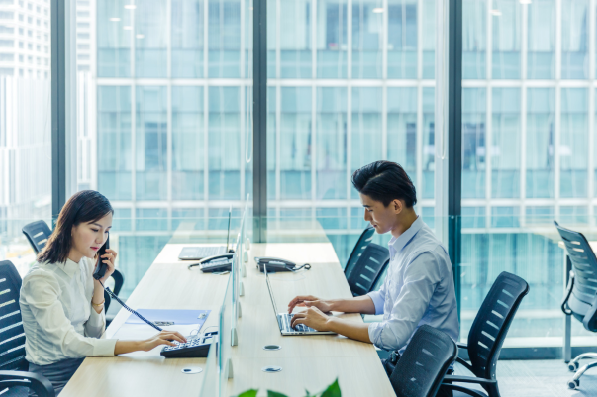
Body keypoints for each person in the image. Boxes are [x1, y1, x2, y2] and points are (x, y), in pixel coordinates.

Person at [287, 160, 459, 377]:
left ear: (396, 206)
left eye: (370, 209)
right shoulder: (405, 243)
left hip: (421, 377)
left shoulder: (424, 256)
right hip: (405, 363)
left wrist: (329, 322)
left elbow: (393, 335)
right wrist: (329, 304)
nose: (366, 218)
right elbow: (384, 298)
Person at [20, 190, 186, 396]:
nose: (101, 239)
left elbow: (95, 335)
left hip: (87, 363)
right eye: (94, 229)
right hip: (53, 382)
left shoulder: (86, 263)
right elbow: (69, 343)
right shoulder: (41, 280)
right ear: (71, 227)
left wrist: (99, 282)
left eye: (106, 231)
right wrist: (143, 345)